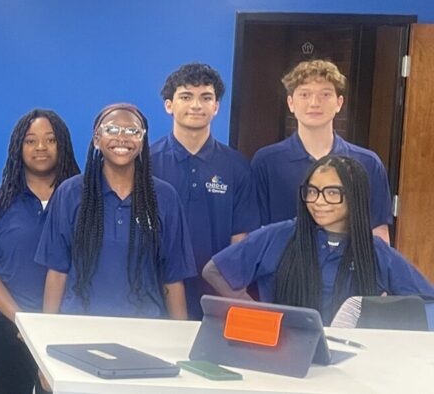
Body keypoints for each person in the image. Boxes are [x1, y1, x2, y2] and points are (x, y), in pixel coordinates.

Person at [204, 155, 434, 324]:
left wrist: (383, 315)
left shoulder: (374, 251)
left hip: (351, 360)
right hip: (282, 350)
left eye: (332, 193)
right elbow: (215, 270)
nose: (318, 201)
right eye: (312, 191)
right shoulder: (279, 235)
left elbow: (427, 302)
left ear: (355, 196)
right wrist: (257, 313)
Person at [36, 103, 195, 320]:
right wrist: (47, 330)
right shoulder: (71, 193)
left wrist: (180, 340)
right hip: (78, 325)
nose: (122, 138)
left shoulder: (165, 197)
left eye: (132, 131)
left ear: (142, 141)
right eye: (111, 130)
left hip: (145, 328)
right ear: (96, 139)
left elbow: (173, 278)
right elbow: (56, 272)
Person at [0, 109, 78, 394]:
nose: (40, 147)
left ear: (62, 145)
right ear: (19, 147)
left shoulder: (82, 201)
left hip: (66, 326)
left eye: (50, 140)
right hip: (7, 322)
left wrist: (47, 324)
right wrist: (21, 320)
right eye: (30, 141)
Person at [150, 63, 259, 319]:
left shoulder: (237, 166)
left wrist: (231, 295)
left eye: (206, 97)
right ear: (169, 105)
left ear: (216, 107)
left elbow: (240, 239)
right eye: (186, 97)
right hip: (153, 293)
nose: (196, 105)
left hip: (215, 295)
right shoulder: (147, 162)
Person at [251, 59, 392, 242]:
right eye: (304, 94)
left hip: (347, 268)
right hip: (283, 267)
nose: (315, 103)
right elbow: (256, 232)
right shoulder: (267, 162)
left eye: (325, 94)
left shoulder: (367, 163)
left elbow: (378, 233)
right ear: (291, 103)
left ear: (339, 103)